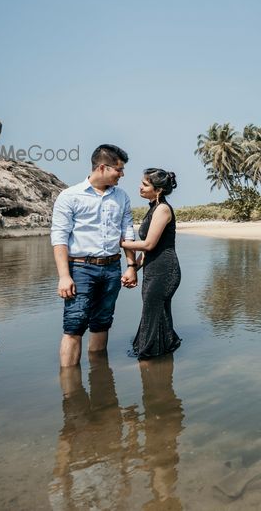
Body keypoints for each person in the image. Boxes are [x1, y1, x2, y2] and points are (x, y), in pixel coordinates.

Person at [51, 144, 139, 367]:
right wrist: (64, 276)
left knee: (102, 323)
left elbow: (127, 232)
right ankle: (71, 392)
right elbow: (59, 237)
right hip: (80, 269)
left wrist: (130, 266)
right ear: (102, 167)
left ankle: (100, 378)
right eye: (119, 169)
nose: (122, 174)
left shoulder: (121, 197)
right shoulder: (69, 196)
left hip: (111, 268)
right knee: (74, 325)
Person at [121, 168, 181, 359]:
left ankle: (150, 355)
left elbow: (148, 244)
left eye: (145, 184)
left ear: (159, 190)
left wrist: (119, 242)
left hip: (165, 270)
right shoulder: (153, 209)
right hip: (153, 269)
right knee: (157, 312)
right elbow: (148, 250)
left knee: (152, 310)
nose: (140, 187)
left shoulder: (163, 209)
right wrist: (133, 269)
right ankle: (163, 352)